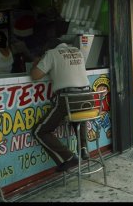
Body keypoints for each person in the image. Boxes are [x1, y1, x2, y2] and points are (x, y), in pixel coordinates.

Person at [30, 38, 91, 172]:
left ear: (47, 49)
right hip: (88, 98)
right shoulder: (77, 51)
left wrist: (36, 63)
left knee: (40, 131)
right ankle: (83, 148)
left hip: (68, 98)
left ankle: (68, 158)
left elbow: (35, 75)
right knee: (77, 117)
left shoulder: (51, 54)